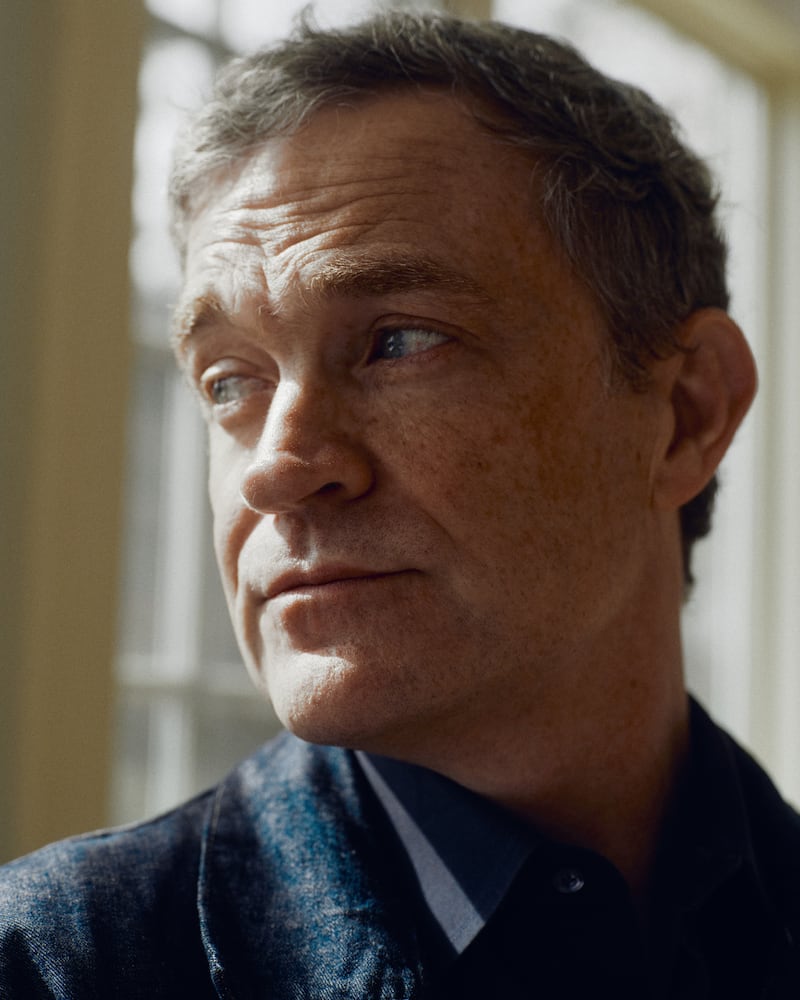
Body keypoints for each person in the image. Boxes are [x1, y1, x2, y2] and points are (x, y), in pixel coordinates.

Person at [1, 9, 798, 998]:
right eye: (230, 381)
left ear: (683, 415)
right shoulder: (47, 966)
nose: (273, 470)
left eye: (399, 341)